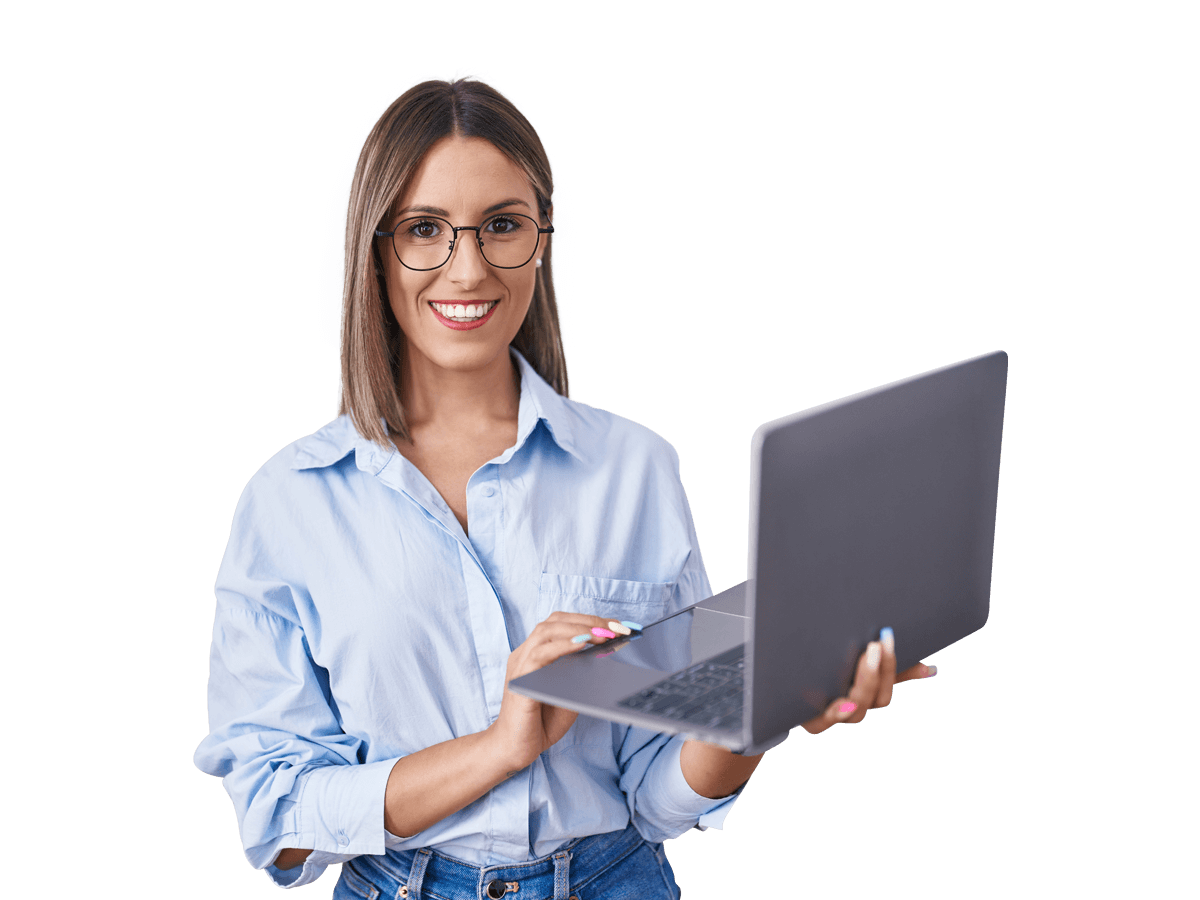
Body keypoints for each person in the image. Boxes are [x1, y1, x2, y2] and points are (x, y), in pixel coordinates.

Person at [194, 72, 933, 899]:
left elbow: (657, 798)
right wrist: (502, 747)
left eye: (502, 226)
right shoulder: (290, 500)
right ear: (375, 247)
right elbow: (277, 816)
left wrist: (765, 708)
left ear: (542, 239)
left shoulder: (635, 468)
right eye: (425, 229)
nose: (466, 269)